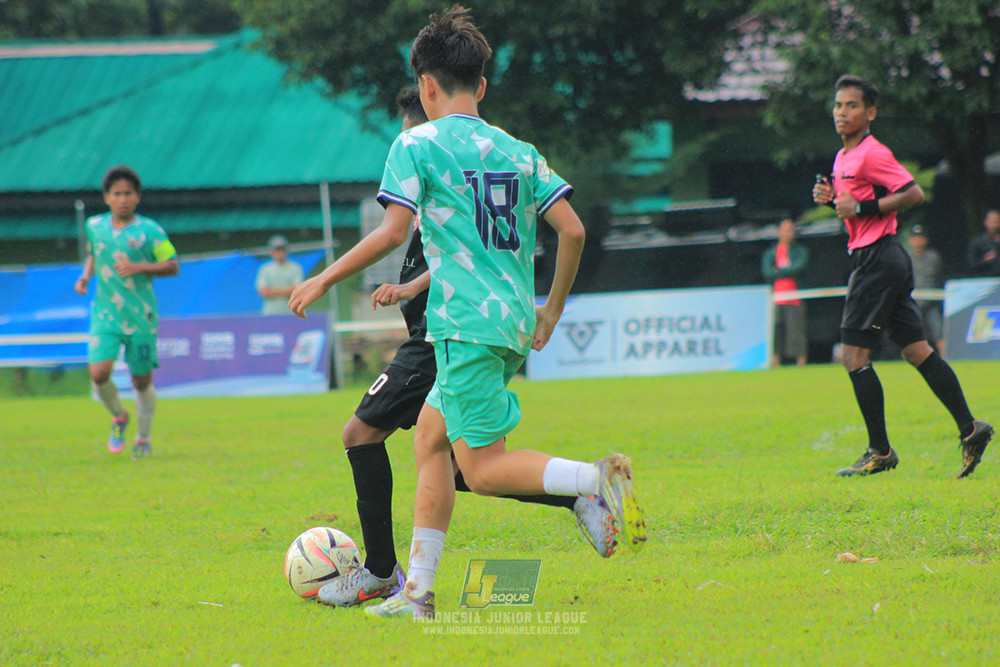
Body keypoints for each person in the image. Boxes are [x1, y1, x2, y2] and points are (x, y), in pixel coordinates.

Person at [290, 6, 646, 620]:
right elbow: (574, 230)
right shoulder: (518, 149)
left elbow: (391, 230)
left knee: (480, 470)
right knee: (429, 443)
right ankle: (419, 595)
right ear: (480, 85)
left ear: (426, 86)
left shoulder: (415, 143)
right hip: (506, 321)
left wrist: (325, 276)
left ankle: (595, 480)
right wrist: (550, 309)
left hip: (462, 327)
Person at [812, 75, 992, 479]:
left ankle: (880, 451)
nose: (842, 112)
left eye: (852, 105)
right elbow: (853, 209)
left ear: (870, 112)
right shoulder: (843, 158)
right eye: (838, 105)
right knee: (916, 351)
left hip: (877, 259)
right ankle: (971, 428)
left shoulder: (871, 152)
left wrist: (859, 207)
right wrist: (832, 203)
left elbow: (912, 193)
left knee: (853, 356)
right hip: (883, 257)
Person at [73, 165, 179, 458]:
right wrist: (84, 277)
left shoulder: (151, 231)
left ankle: (143, 438)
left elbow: (172, 264)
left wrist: (138, 267)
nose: (122, 199)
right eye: (117, 193)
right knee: (98, 373)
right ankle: (119, 416)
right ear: (107, 197)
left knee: (140, 380)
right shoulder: (95, 226)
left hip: (141, 316)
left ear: (137, 197)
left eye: (128, 193)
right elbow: (95, 253)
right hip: (106, 314)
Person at [762, 219, 809, 367]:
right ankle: (776, 362)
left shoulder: (800, 251)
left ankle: (801, 363)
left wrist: (779, 271)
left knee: (797, 331)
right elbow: (767, 272)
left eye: (791, 230)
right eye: (786, 230)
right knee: (777, 332)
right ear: (778, 232)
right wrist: (785, 271)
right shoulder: (770, 252)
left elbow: (798, 268)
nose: (789, 233)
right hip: (776, 298)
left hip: (795, 298)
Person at [905, 225, 945, 356]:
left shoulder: (933, 257)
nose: (918, 242)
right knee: (914, 335)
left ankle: (946, 358)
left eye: (920, 238)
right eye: (915, 238)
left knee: (938, 331)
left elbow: (939, 277)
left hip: (931, 303)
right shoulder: (906, 257)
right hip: (912, 304)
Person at [256, 235, 303, 315]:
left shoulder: (295, 268)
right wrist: (287, 290)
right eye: (276, 250)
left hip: (291, 312)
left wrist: (272, 291)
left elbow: (298, 290)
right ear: (271, 252)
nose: (279, 253)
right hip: (270, 313)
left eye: (282, 250)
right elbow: (263, 292)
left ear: (286, 251)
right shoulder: (265, 269)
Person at [966, 209, 1000, 277]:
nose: (994, 225)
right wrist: (985, 260)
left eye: (997, 222)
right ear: (986, 222)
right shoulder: (977, 242)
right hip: (985, 280)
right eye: (992, 222)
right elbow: (971, 264)